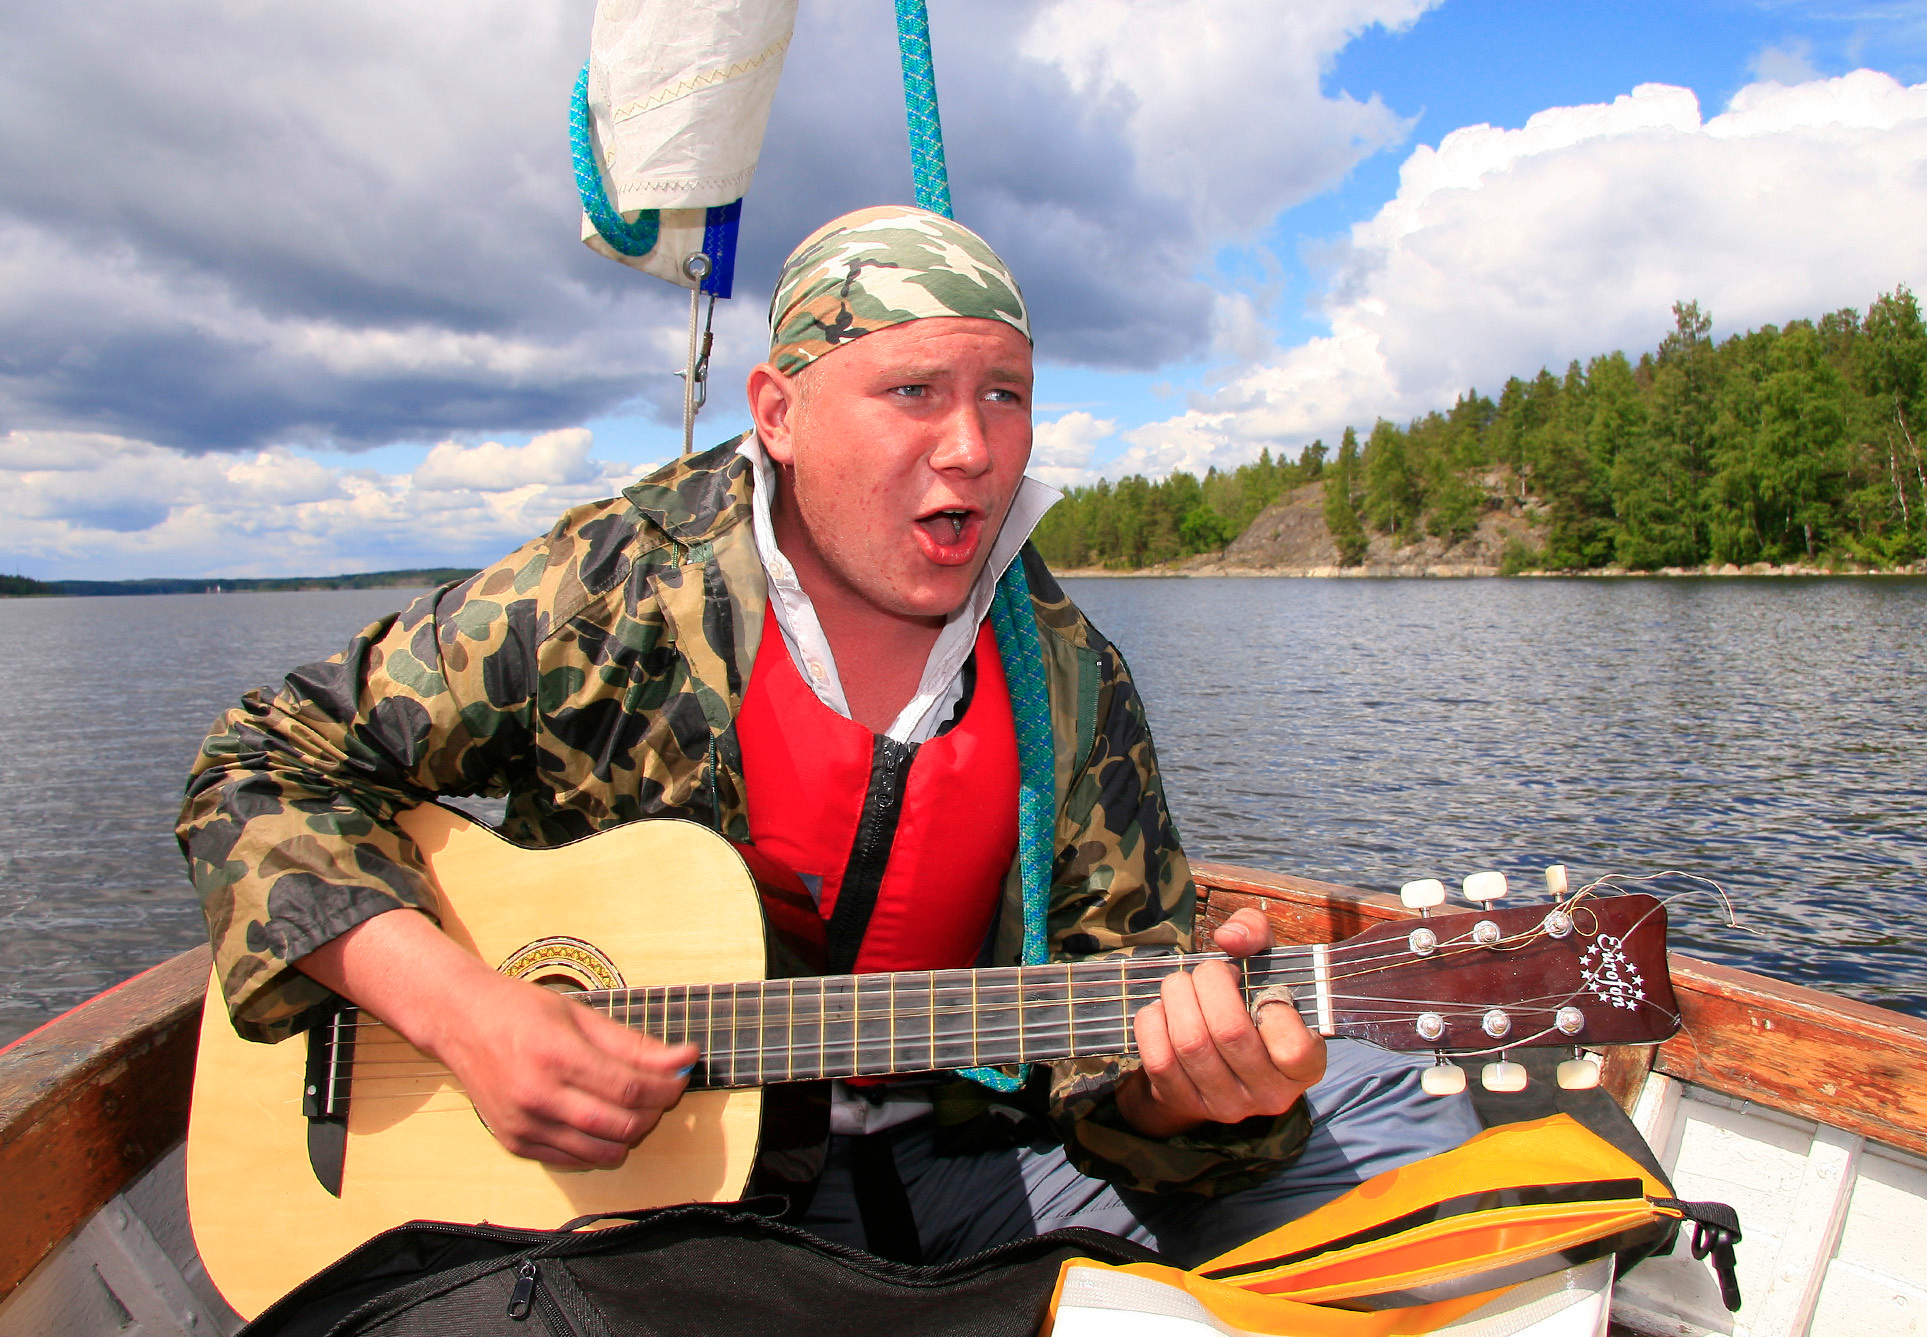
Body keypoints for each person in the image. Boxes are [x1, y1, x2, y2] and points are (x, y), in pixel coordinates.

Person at [179, 205, 1478, 1268]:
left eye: (1006, 395)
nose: (972, 449)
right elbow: (259, 765)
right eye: (913, 390)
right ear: (779, 413)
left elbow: (1112, 1063)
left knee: (1391, 1119)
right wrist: (466, 1015)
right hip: (633, 1196)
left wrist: (1192, 1097)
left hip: (955, 1157)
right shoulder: (616, 589)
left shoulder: (1069, 677)